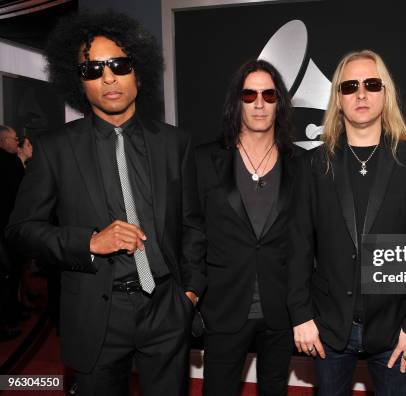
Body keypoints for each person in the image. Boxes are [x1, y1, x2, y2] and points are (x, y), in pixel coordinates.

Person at [6, 11, 205, 395]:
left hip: (166, 306)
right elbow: (20, 233)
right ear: (79, 83)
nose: (109, 77)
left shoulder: (174, 143)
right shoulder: (55, 149)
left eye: (119, 64)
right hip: (96, 313)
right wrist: (89, 242)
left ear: (139, 73)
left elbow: (193, 223)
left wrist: (189, 293)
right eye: (93, 69)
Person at [288, 50, 406, 395]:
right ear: (337, 99)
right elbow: (298, 246)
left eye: (371, 84)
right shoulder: (313, 165)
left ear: (385, 94)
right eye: (349, 86)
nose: (361, 94)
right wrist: (301, 316)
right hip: (327, 328)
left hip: (396, 331)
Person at [195, 59, 299, 396]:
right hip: (224, 307)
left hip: (280, 309)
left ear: (279, 103)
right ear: (236, 101)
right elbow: (190, 231)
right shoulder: (203, 160)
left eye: (269, 95)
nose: (258, 103)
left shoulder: (300, 164)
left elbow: (308, 239)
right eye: (249, 94)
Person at [0, 125, 27, 340]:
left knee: (13, 273)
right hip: (6, 227)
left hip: (9, 226)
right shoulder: (7, 163)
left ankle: (15, 311)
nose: (16, 142)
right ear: (2, 141)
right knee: (8, 274)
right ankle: (9, 318)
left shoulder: (10, 161)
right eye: (13, 138)